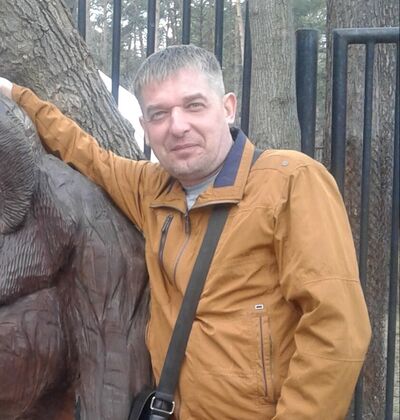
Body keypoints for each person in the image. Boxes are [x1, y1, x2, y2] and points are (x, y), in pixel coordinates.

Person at [0, 44, 371, 419]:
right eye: (159, 114)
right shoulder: (152, 190)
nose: (177, 127)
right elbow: (87, 154)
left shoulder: (290, 182)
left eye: (194, 105)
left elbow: (335, 329)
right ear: (145, 127)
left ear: (227, 107)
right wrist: (16, 94)